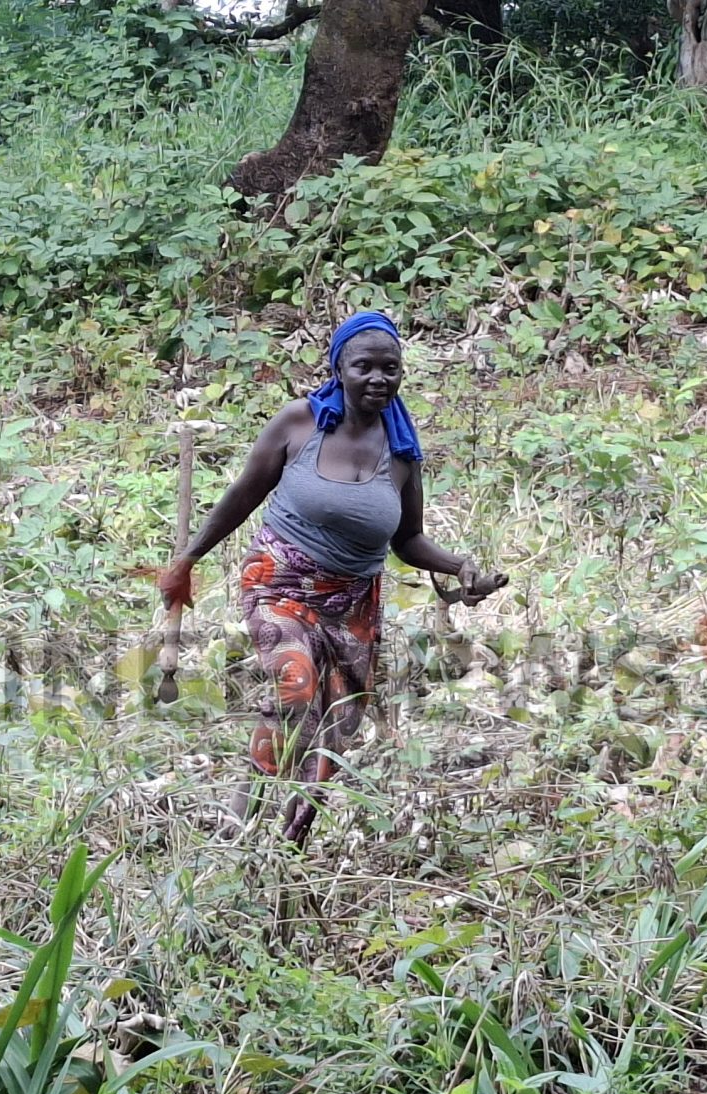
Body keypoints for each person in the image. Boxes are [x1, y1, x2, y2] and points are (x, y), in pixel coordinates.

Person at [158, 312, 507, 845]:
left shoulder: (402, 455)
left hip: (352, 603)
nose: (378, 378)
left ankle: (287, 839)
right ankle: (237, 825)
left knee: (336, 727)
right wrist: (187, 559)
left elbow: (408, 541)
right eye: (363, 366)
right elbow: (242, 497)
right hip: (278, 582)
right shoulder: (298, 424)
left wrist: (460, 566)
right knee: (295, 684)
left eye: (390, 368)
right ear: (338, 368)